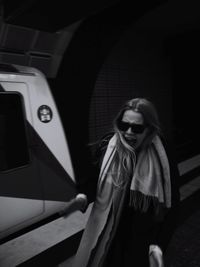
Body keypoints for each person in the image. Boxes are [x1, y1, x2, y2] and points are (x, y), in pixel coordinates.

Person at [72, 98, 180, 267]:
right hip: (109, 227)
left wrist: (159, 245)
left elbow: (173, 203)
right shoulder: (107, 145)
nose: (128, 132)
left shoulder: (163, 154)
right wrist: (83, 196)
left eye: (137, 128)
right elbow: (94, 179)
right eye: (124, 125)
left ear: (150, 129)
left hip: (142, 234)